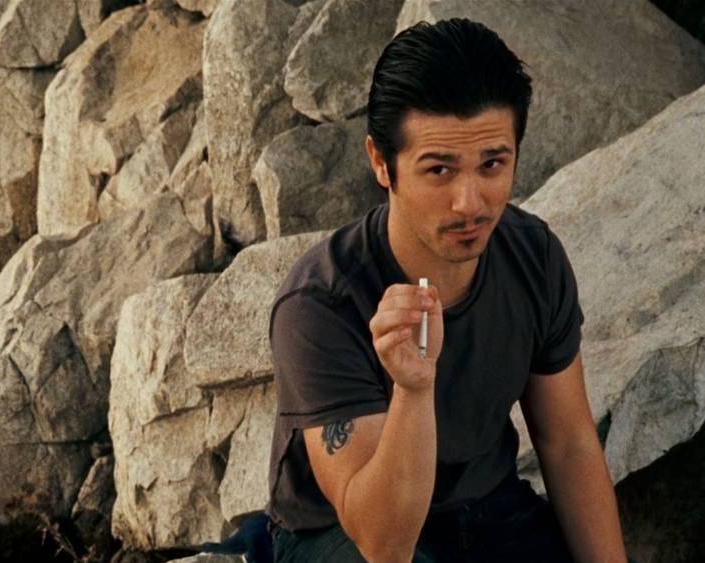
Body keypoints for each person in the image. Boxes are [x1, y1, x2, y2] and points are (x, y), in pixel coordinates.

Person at [263, 17, 630, 563]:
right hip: (342, 533)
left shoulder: (532, 256)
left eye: (492, 164)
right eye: (439, 170)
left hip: (486, 510)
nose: (470, 203)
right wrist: (413, 388)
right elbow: (383, 543)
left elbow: (568, 445)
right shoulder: (322, 303)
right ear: (381, 163)